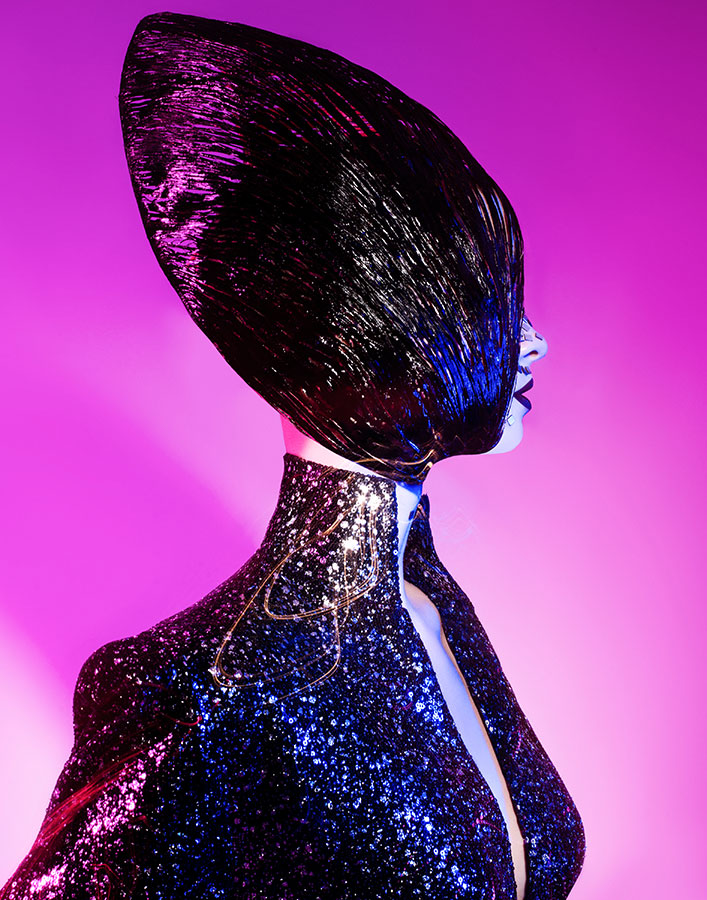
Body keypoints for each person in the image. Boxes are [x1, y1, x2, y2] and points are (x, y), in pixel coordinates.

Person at [0, 11, 584, 899]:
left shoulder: (431, 607)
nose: (531, 339)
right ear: (358, 340)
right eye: (481, 301)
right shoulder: (204, 686)